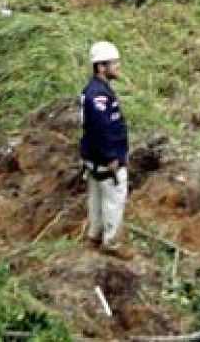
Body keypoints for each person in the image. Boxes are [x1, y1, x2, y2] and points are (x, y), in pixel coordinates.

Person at [80, 40, 129, 255]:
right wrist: (111, 156)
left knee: (97, 197)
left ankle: (94, 235)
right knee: (113, 197)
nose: (118, 67)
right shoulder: (98, 95)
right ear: (101, 67)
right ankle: (111, 242)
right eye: (114, 63)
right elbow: (101, 128)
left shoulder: (95, 91)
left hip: (94, 157)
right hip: (106, 158)